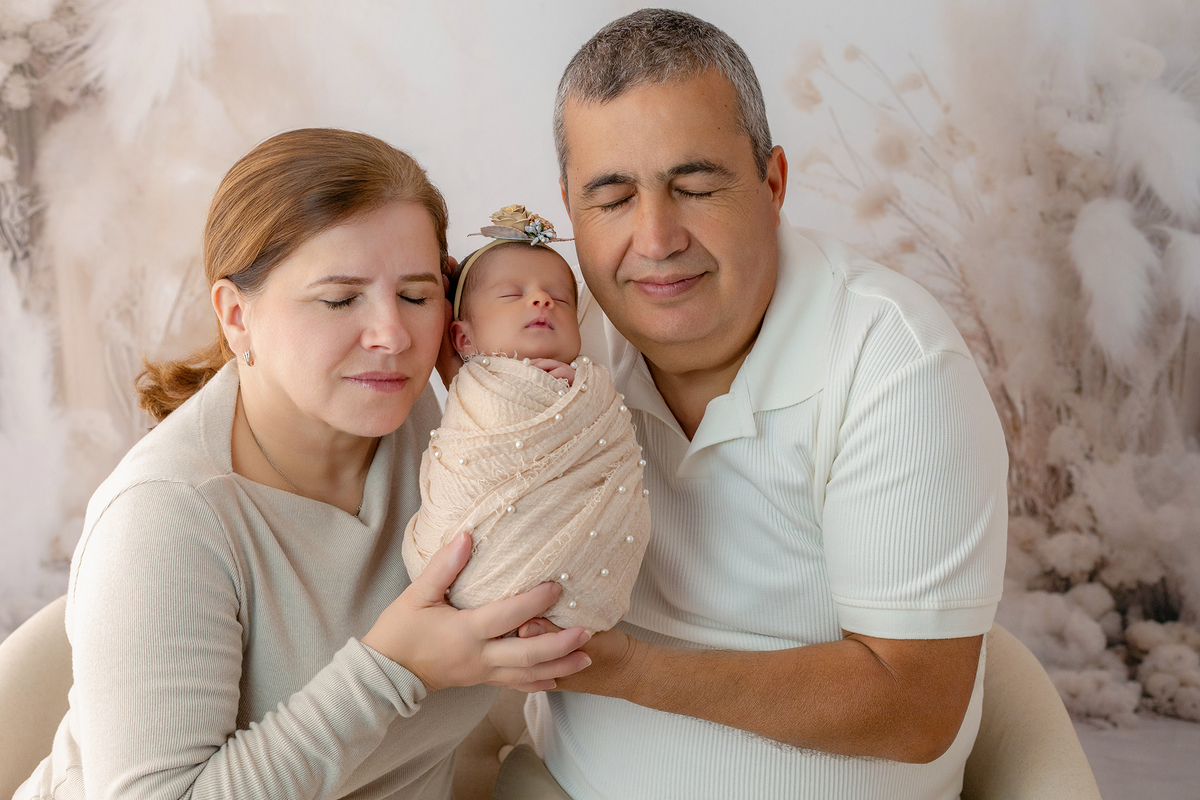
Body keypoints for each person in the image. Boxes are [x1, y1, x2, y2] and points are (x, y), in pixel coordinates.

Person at [14, 129, 592, 800]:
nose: (393, 336)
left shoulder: (428, 430)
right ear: (236, 316)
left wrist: (495, 390)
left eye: (415, 295)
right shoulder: (163, 520)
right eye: (340, 299)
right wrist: (390, 670)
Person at [519, 10, 1009, 800]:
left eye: (696, 185)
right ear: (569, 211)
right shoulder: (556, 350)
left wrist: (624, 670)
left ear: (773, 184)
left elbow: (917, 705)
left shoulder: (892, 363)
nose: (655, 237)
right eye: (612, 199)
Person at [403, 206, 650, 635]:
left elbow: (611, 444)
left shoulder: (590, 389)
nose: (542, 300)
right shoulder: (475, 388)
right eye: (512, 294)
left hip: (586, 563)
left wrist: (588, 395)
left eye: (561, 297)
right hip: (467, 564)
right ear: (462, 338)